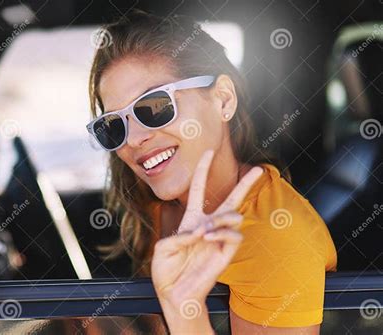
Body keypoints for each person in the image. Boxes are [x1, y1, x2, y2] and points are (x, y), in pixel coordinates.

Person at [86, 10, 337, 334]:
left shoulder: (275, 238)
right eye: (114, 126)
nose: (134, 140)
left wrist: (184, 309)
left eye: (155, 107)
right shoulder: (159, 198)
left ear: (223, 99)